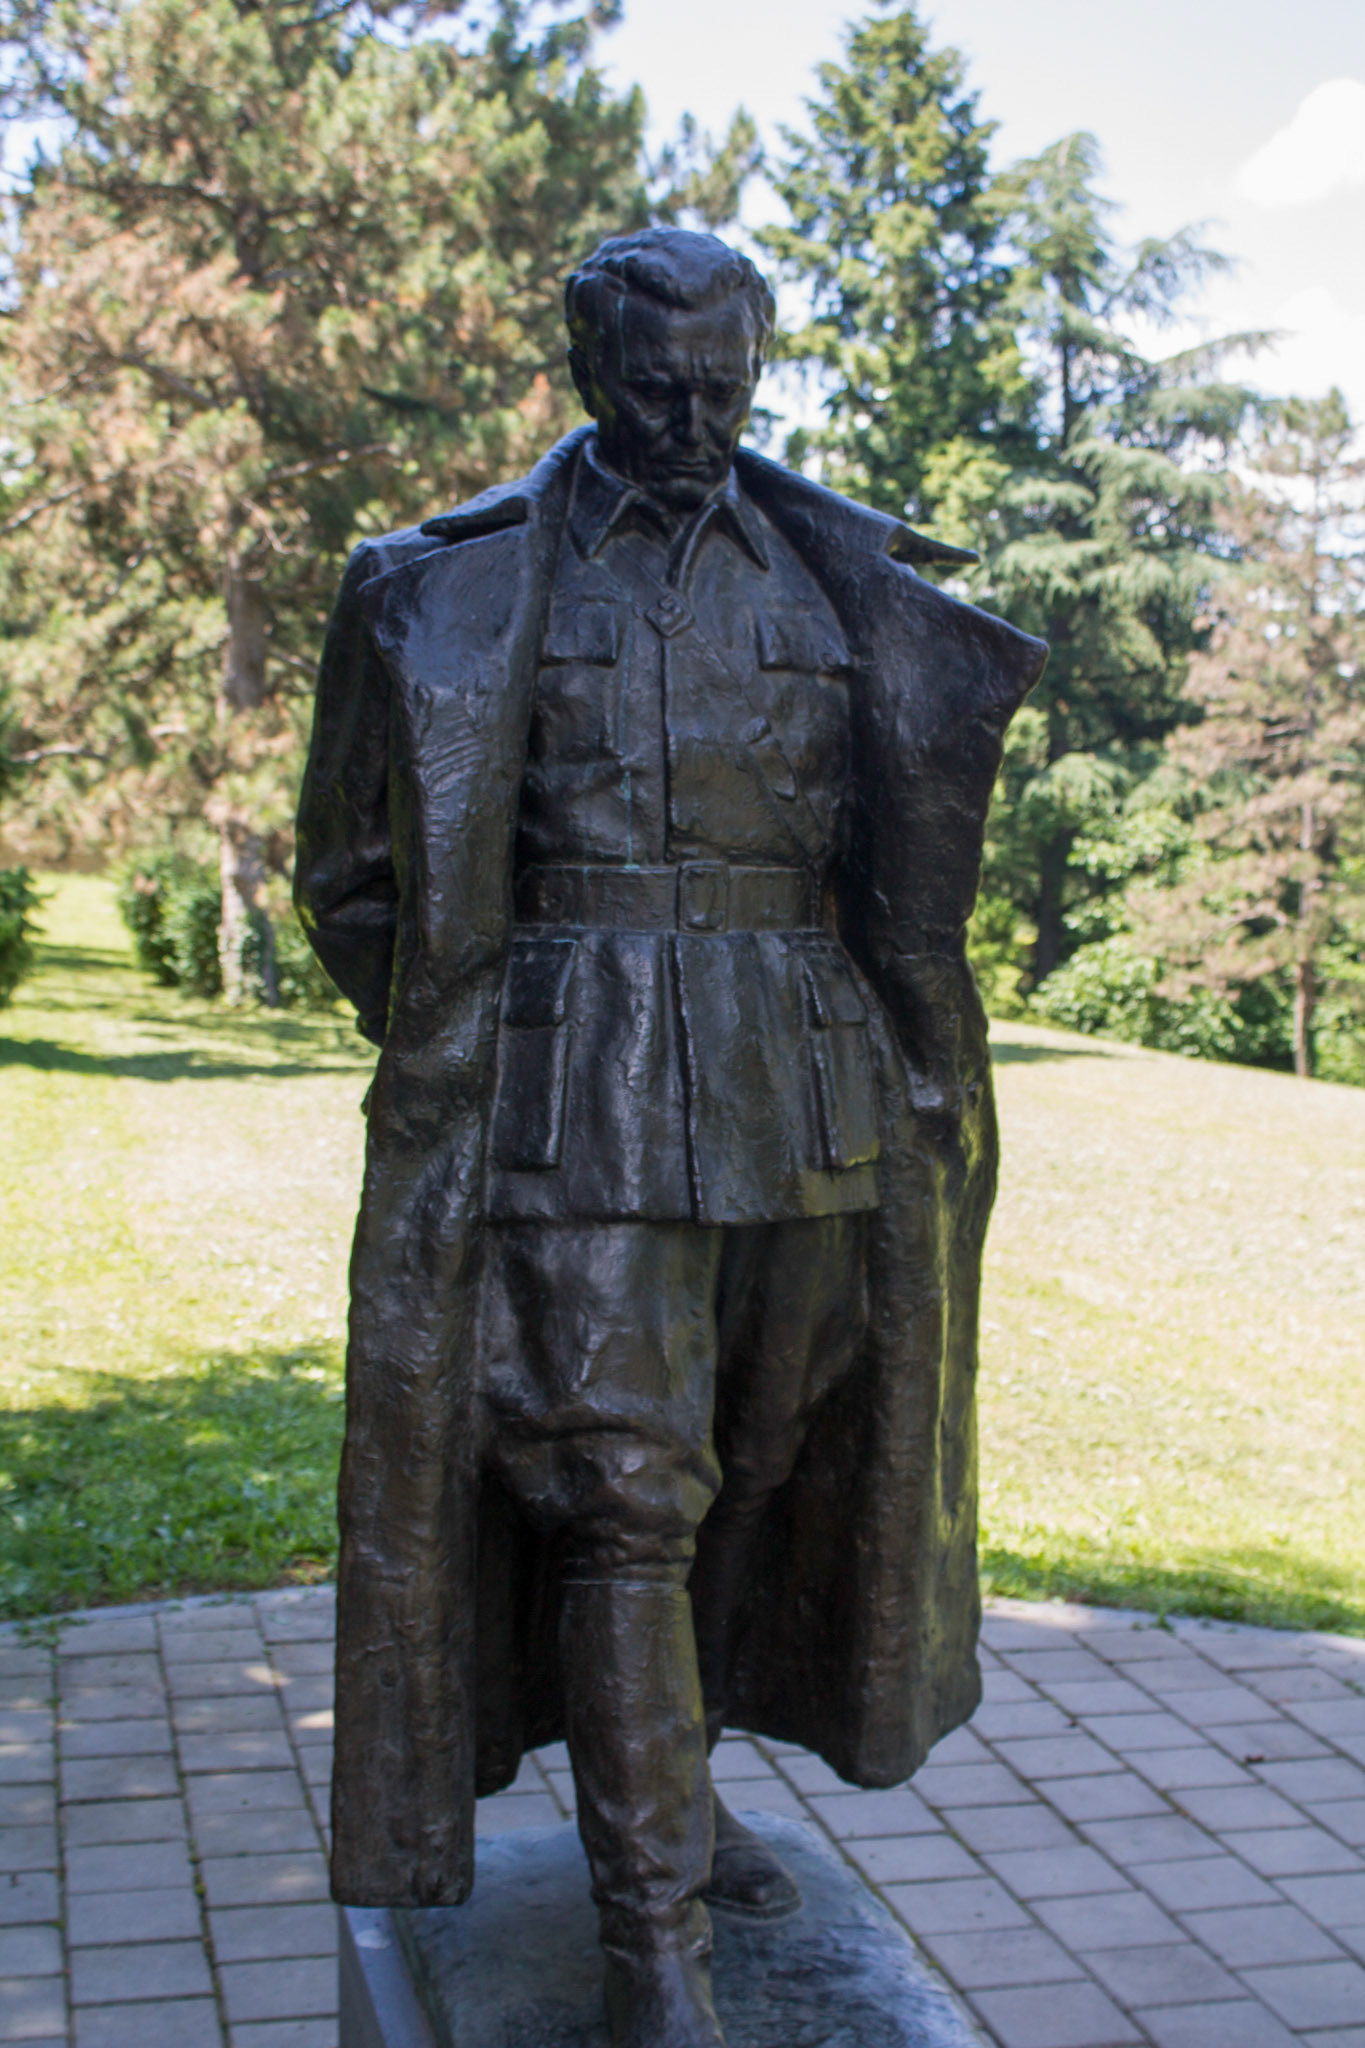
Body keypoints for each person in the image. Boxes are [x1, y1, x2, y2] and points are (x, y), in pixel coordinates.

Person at [296, 227, 1046, 2048]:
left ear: (761, 364)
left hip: (808, 1079)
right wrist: (499, 1024)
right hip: (576, 1082)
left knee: (762, 1454)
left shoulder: (834, 569)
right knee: (625, 1495)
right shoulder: (433, 585)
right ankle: (656, 1951)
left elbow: (896, 866)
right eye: (657, 382)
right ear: (586, 366)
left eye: (726, 381)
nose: (695, 414)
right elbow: (354, 881)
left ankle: (683, 1797)